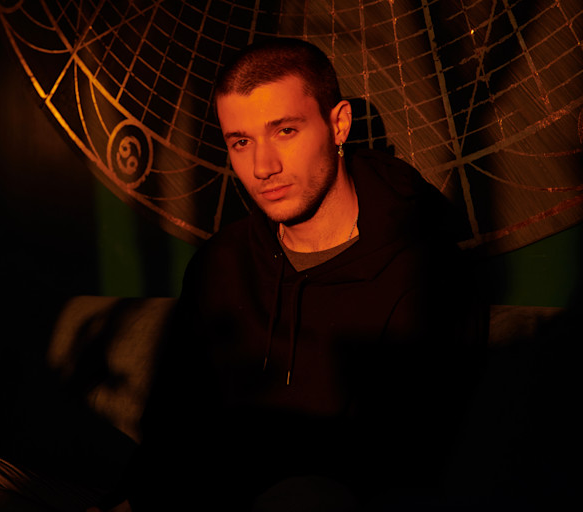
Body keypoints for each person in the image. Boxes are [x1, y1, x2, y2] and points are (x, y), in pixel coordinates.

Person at [116, 37, 485, 511]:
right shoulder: (221, 263)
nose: (263, 167)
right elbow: (173, 429)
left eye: (285, 131)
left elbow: (406, 462)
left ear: (339, 125)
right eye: (241, 142)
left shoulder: (425, 271)